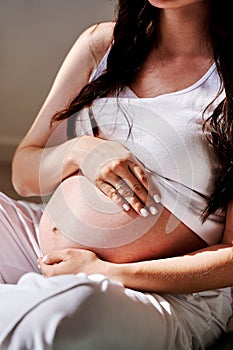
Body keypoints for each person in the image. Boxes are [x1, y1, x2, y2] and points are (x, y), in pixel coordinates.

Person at [1, 0, 233, 349]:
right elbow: (23, 172)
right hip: (39, 246)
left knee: (67, 311)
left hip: (166, 291)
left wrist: (107, 272)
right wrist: (82, 151)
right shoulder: (103, 45)